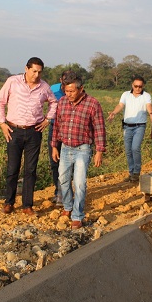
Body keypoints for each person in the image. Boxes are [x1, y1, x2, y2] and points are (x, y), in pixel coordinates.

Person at [0, 57, 57, 216]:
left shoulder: (44, 87)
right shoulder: (13, 82)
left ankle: (27, 205)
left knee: (31, 169)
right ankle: (9, 202)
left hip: (34, 131)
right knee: (12, 168)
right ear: (26, 69)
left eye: (39, 72)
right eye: (34, 71)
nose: (36, 75)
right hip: (13, 130)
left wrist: (48, 119)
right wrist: (2, 123)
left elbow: (53, 103)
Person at [51, 72, 106, 229]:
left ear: (81, 89)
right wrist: (54, 146)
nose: (68, 95)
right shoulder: (61, 102)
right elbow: (57, 126)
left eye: (72, 91)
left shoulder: (92, 104)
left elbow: (99, 128)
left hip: (83, 149)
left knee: (80, 183)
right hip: (65, 148)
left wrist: (99, 151)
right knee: (63, 180)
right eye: (66, 91)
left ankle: (77, 215)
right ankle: (67, 207)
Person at [108, 76, 152, 182]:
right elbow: (120, 105)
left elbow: (149, 105)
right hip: (127, 126)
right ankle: (131, 172)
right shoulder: (125, 94)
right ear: (132, 85)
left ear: (143, 86)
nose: (138, 88)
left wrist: (151, 113)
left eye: (140, 86)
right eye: (136, 86)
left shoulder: (146, 95)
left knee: (135, 148)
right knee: (128, 151)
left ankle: (137, 172)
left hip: (140, 126)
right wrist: (114, 112)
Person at [48, 70, 73, 206]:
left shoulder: (76, 91)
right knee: (54, 162)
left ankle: (64, 194)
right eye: (65, 81)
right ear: (61, 80)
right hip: (54, 128)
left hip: (70, 130)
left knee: (67, 163)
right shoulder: (52, 89)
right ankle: (58, 190)